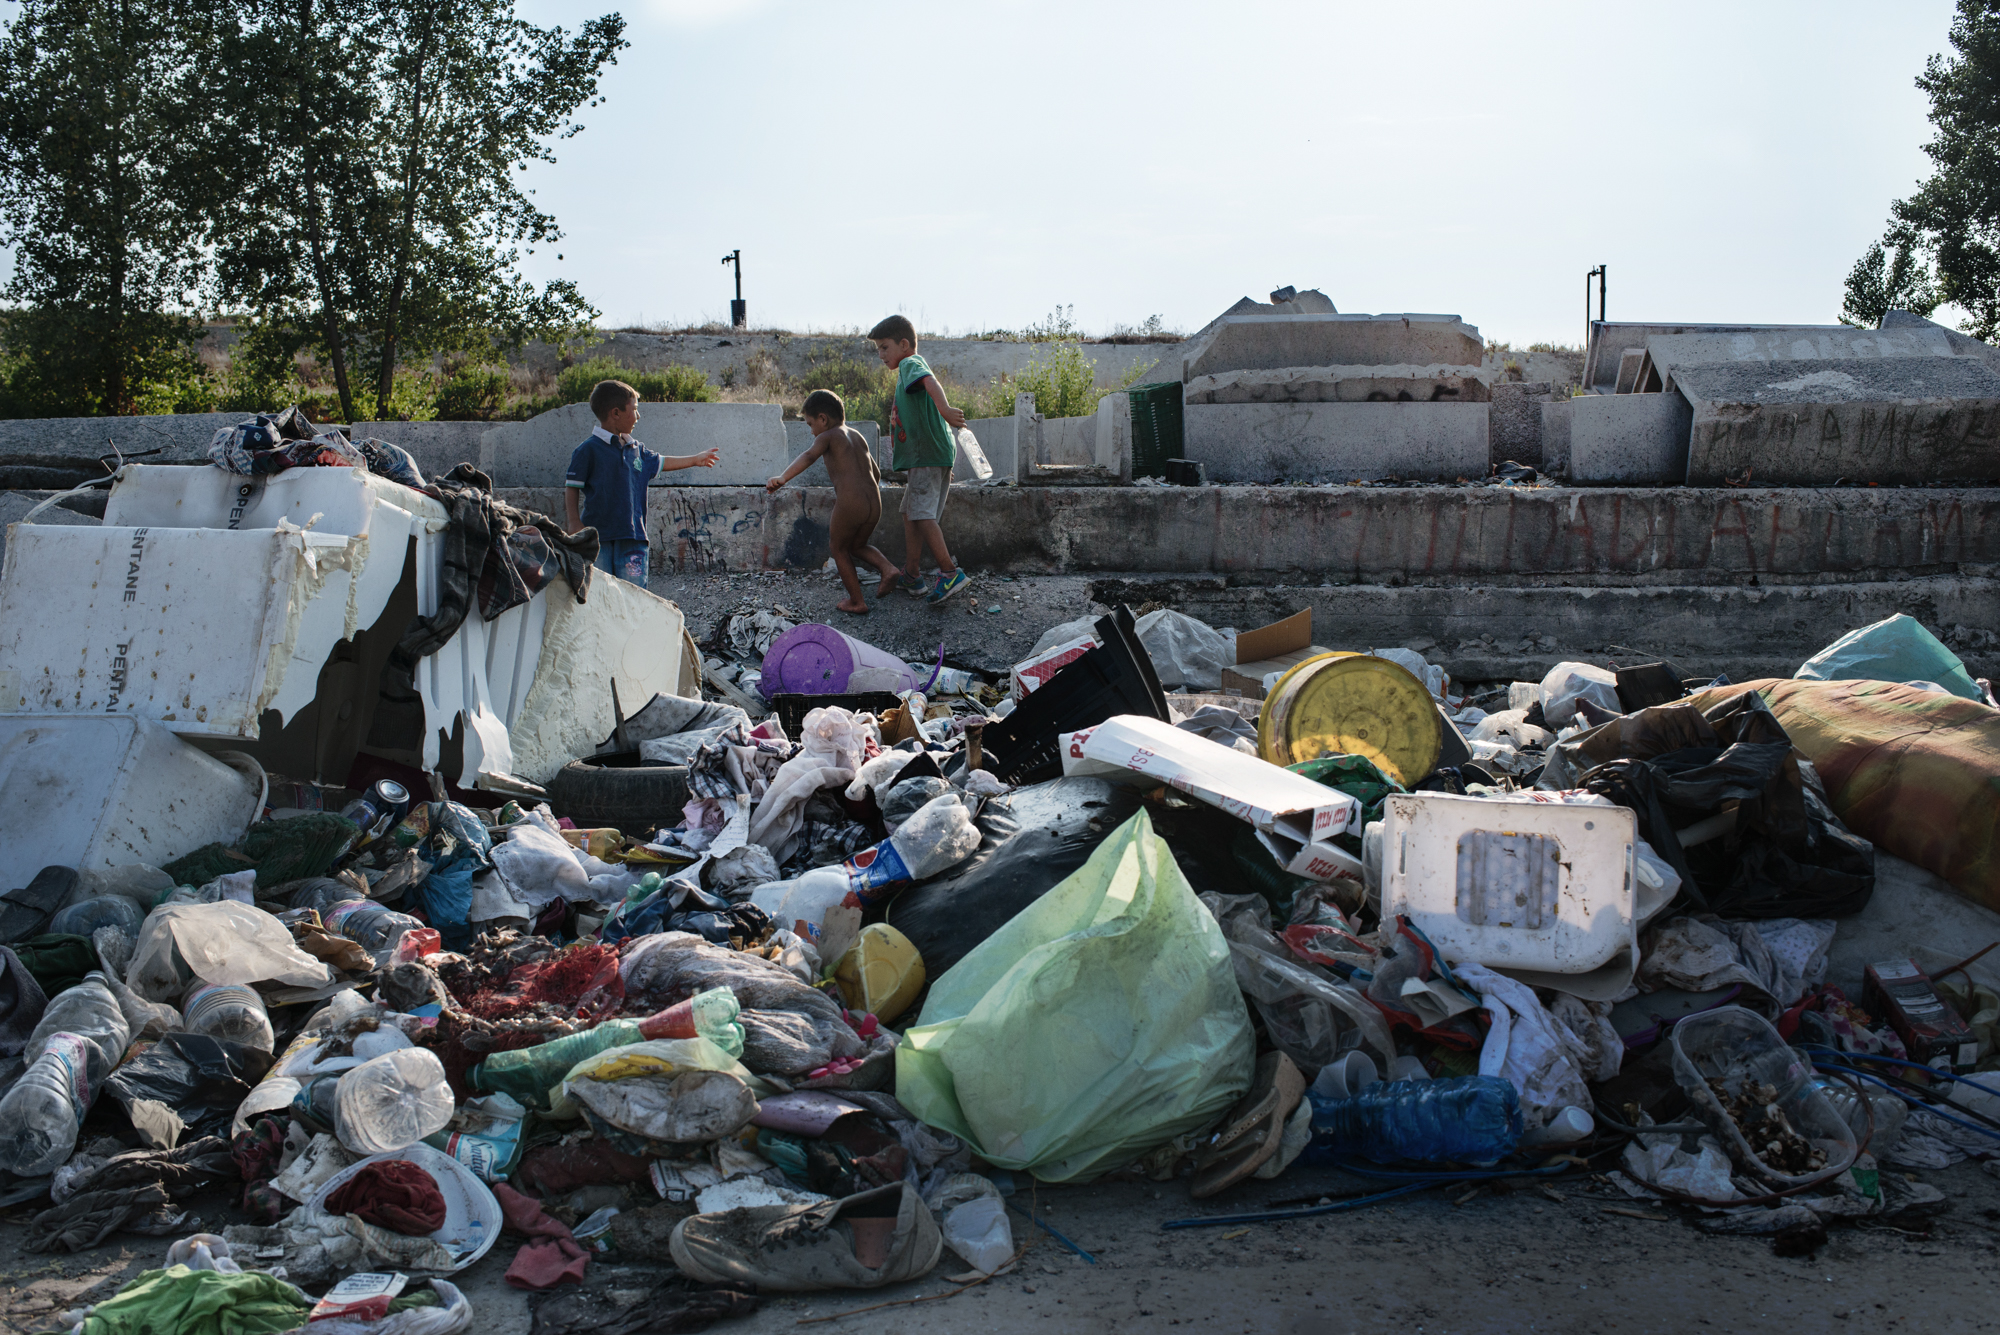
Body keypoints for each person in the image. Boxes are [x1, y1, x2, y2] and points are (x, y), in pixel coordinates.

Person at [562, 378, 719, 589]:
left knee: (633, 595)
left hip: (633, 538)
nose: (638, 416)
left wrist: (695, 459)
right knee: (598, 594)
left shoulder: (636, 449)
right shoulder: (587, 450)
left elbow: (662, 462)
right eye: (634, 410)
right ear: (615, 413)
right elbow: (572, 486)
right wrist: (574, 523)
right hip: (598, 539)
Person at [767, 389, 901, 614]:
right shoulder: (857, 435)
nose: (811, 432)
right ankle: (888, 569)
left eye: (810, 424)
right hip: (874, 502)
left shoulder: (827, 436)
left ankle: (857, 601)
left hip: (851, 503)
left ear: (823, 419)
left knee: (838, 548)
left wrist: (783, 478)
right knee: (857, 545)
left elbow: (809, 456)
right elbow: (876, 473)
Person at [869, 314, 970, 605]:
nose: (881, 354)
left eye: (885, 347)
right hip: (930, 456)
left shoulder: (910, 363)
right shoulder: (905, 371)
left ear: (903, 344)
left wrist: (946, 410)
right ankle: (912, 574)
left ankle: (950, 573)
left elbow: (930, 382)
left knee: (921, 514)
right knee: (910, 512)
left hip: (928, 454)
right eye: (878, 349)